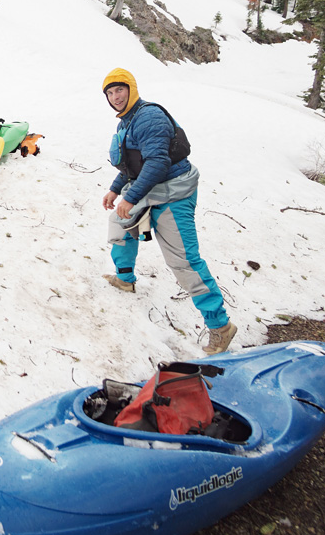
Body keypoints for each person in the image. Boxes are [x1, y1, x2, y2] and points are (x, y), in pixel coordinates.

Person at [100, 68, 236, 355]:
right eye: (110, 93)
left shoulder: (148, 117)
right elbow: (132, 164)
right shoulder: (126, 122)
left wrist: (131, 196)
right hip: (150, 189)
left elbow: (157, 163)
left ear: (132, 89)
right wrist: (116, 189)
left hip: (174, 192)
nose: (115, 97)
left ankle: (220, 327)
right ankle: (125, 279)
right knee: (120, 223)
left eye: (119, 90)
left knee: (184, 261)